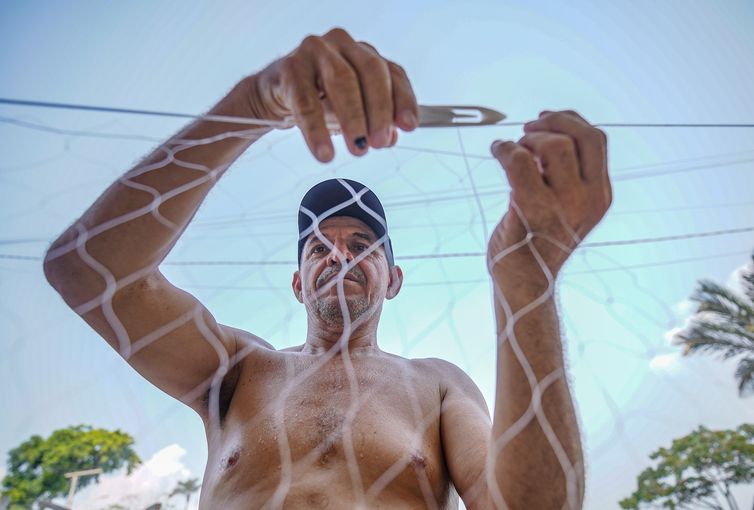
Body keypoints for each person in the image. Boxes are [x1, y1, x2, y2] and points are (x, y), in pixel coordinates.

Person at [43, 28, 611, 510]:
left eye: (363, 243)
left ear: (394, 279)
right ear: (297, 283)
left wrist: (527, 280)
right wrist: (251, 104)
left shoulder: (438, 386)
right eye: (318, 248)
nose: (339, 255)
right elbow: (88, 273)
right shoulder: (235, 371)